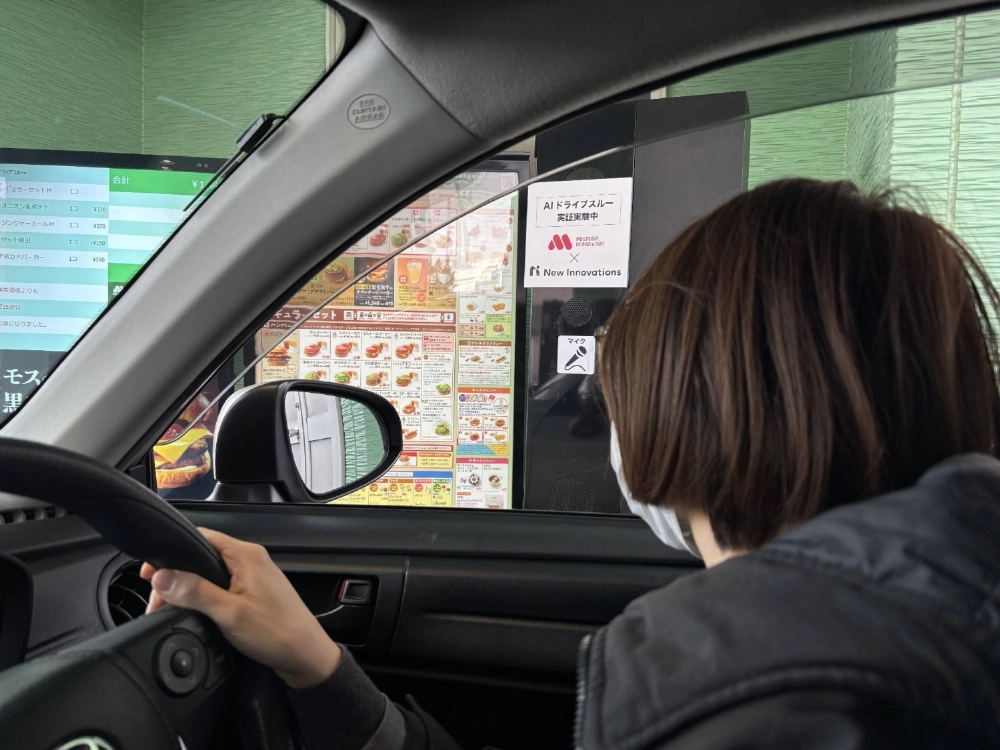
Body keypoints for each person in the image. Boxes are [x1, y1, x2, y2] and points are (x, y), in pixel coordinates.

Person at [144, 178, 1000, 748]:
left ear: (690, 415)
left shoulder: (756, 694)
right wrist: (319, 666)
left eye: (618, 396)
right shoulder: (923, 635)